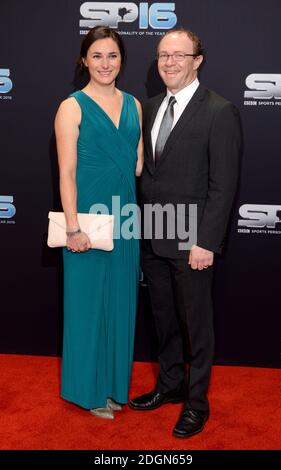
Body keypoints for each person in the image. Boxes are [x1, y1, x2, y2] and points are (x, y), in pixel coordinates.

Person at [129, 29, 241, 437]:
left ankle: (197, 403)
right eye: (163, 55)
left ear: (198, 60)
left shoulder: (219, 110)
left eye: (179, 55)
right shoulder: (150, 107)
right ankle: (170, 385)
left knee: (196, 325)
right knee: (164, 319)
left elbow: (223, 184)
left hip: (193, 239)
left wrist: (206, 241)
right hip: (154, 232)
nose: (170, 62)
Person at [55, 26, 143, 419]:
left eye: (112, 56)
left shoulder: (135, 106)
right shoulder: (71, 106)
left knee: (121, 303)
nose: (105, 64)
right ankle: (87, 391)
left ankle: (112, 387)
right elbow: (67, 172)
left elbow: (138, 162)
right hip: (87, 220)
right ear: (84, 60)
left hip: (124, 217)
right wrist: (73, 228)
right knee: (87, 306)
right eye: (97, 56)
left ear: (121, 60)